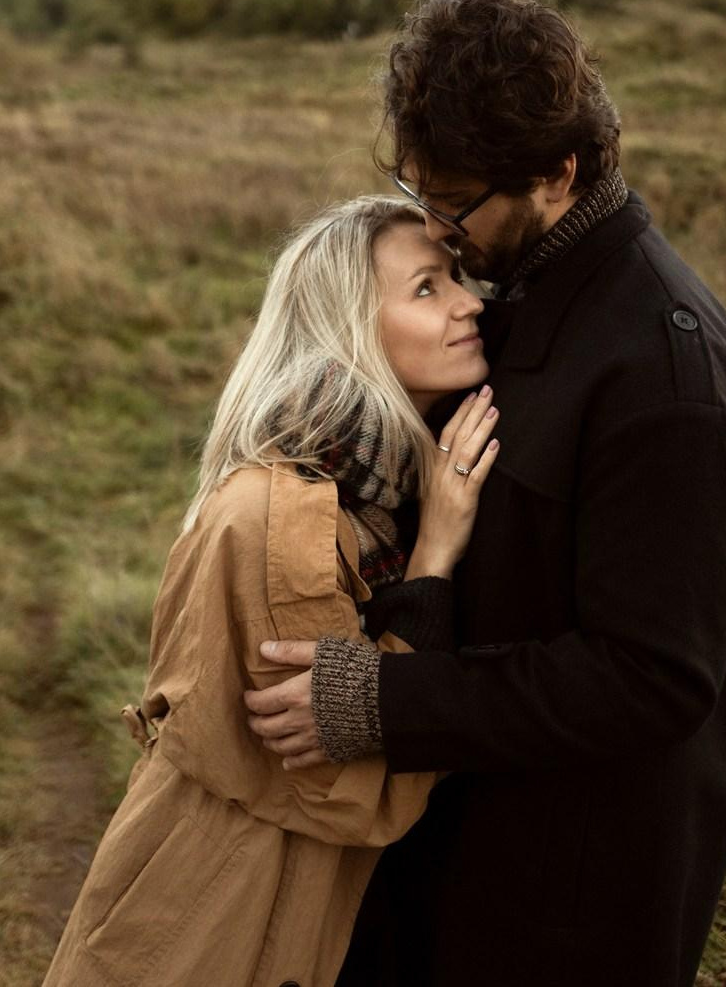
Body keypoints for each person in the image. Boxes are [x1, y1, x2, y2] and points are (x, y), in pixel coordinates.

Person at [244, 0, 726, 987]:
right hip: (450, 854)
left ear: (556, 171)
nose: (434, 227)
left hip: (564, 904)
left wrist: (388, 701)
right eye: (418, 191)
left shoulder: (676, 389)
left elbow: (652, 676)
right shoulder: (520, 289)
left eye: (451, 201)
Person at [44, 196, 501, 987]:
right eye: (427, 287)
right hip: (205, 928)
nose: (469, 302)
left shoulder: (365, 492)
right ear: (350, 327)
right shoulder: (288, 514)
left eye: (457, 276)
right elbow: (353, 791)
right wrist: (433, 561)